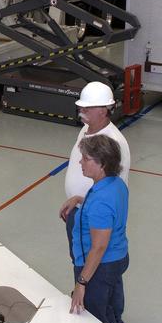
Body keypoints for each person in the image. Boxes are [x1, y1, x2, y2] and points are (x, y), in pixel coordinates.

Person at [59, 81, 130, 262]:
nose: (81, 111)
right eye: (81, 107)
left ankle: (83, 281)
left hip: (95, 218)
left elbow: (113, 192)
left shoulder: (114, 142)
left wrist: (82, 203)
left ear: (104, 110)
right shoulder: (86, 129)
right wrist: (75, 200)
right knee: (78, 258)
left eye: (87, 108)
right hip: (78, 209)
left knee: (91, 263)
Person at [68, 133, 129, 323]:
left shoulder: (101, 201)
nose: (80, 162)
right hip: (117, 257)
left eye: (86, 159)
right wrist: (80, 199)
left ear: (102, 164)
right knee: (111, 302)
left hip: (100, 267)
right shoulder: (115, 184)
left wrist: (82, 283)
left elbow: (99, 247)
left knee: (96, 318)